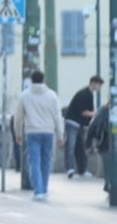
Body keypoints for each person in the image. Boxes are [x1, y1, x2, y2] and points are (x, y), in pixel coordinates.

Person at [16, 70, 63, 201]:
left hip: (32, 132)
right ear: (44, 80)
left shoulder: (25, 96)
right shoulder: (52, 95)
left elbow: (18, 117)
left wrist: (18, 133)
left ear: (31, 80)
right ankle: (45, 188)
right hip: (48, 131)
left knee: (34, 161)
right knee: (46, 161)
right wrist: (60, 134)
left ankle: (38, 190)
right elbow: (57, 116)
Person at [64, 76, 102, 178]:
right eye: (99, 85)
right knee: (71, 146)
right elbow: (83, 112)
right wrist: (96, 114)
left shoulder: (89, 94)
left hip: (80, 124)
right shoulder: (84, 94)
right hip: (73, 122)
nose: (100, 88)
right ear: (93, 83)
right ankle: (70, 168)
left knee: (80, 147)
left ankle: (82, 169)